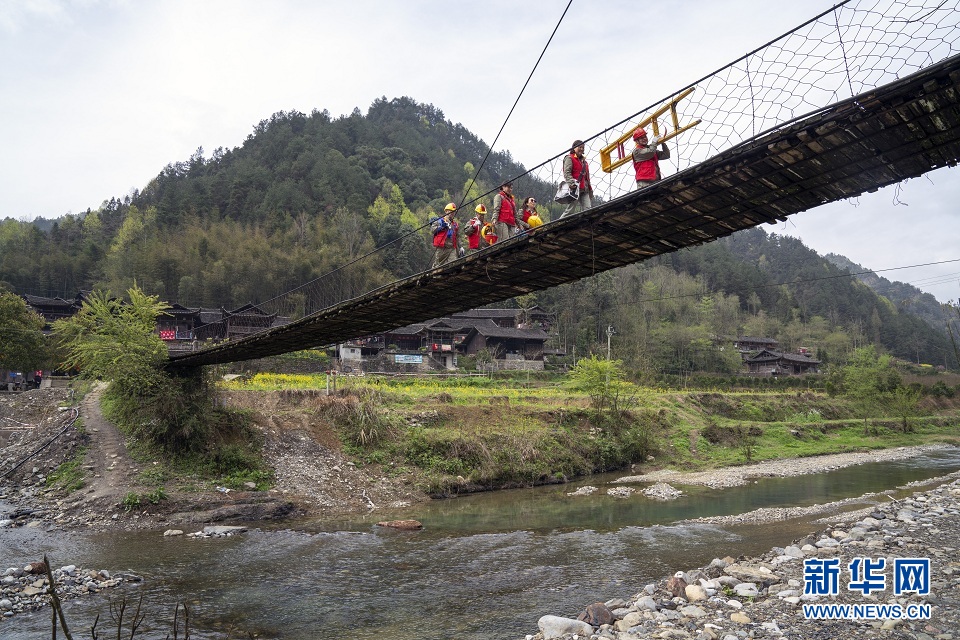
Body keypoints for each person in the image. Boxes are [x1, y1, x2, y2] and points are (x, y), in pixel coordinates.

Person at [560, 140, 593, 218]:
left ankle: (587, 224)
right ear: (574, 148)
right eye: (580, 147)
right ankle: (558, 224)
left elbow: (587, 177)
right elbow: (566, 172)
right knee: (570, 210)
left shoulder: (584, 162)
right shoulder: (569, 158)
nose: (581, 149)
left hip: (585, 189)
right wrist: (571, 183)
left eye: (583, 148)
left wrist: (589, 188)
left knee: (588, 209)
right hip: (575, 188)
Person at [430, 203, 460, 268]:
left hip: (452, 248)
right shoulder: (439, 221)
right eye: (451, 211)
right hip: (442, 248)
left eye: (454, 212)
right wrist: (442, 227)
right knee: (438, 265)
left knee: (453, 264)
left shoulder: (454, 224)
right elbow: (432, 230)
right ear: (446, 211)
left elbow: (457, 237)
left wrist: (459, 248)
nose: (452, 213)